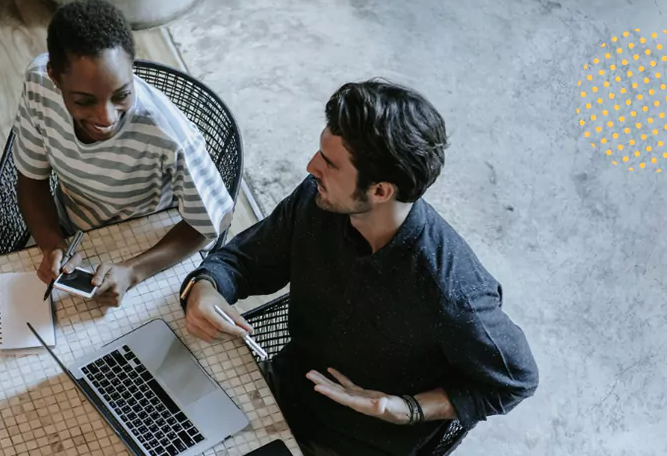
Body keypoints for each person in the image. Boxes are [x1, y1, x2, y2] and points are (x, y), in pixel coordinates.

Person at [179, 80, 539, 455]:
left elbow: (516, 380)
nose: (310, 167)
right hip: (283, 391)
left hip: (359, 444)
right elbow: (244, 260)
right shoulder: (316, 200)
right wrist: (206, 285)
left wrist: (408, 409)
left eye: (329, 164)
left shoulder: (452, 291)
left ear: (381, 191)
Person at [12, 0, 233, 306]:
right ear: (53, 76)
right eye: (84, 101)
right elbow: (31, 181)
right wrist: (51, 245)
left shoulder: (171, 137)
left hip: (148, 246)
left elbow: (211, 222)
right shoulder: (38, 85)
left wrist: (133, 271)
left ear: (132, 68)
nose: (106, 117)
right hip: (73, 234)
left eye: (122, 94)